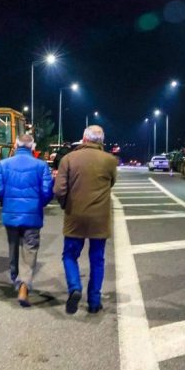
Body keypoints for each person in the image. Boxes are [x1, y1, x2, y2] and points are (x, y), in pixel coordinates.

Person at [54, 125, 117, 315]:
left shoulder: (68, 159)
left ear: (84, 138)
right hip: (100, 218)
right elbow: (111, 182)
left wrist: (66, 205)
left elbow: (58, 190)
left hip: (75, 216)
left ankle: (75, 287)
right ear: (102, 141)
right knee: (97, 260)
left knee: (70, 255)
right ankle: (94, 302)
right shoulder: (110, 161)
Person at [0, 133, 54, 307]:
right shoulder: (41, 166)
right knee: (30, 249)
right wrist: (39, 203)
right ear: (32, 146)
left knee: (13, 248)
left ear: (16, 145)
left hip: (11, 214)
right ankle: (24, 284)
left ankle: (15, 279)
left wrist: (7, 201)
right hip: (32, 215)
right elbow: (48, 190)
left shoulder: (3, 164)